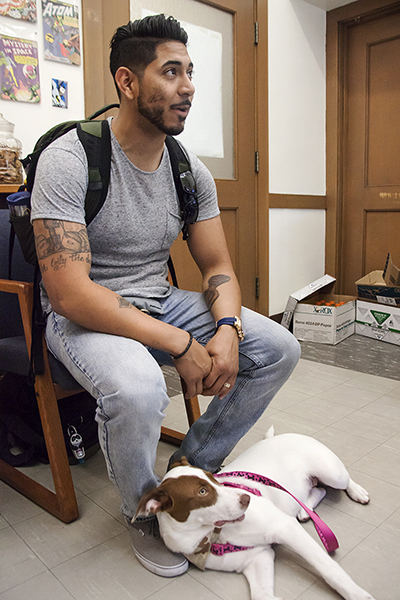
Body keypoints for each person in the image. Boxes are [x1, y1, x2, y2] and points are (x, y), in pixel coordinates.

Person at [31, 14, 300, 579]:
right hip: (84, 316)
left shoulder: (187, 170)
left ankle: (188, 470)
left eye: (191, 72)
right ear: (128, 83)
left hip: (158, 298)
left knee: (277, 348)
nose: (188, 87)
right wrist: (179, 342)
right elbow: (70, 293)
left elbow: (218, 266)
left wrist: (227, 331)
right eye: (171, 71)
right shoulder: (70, 157)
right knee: (139, 385)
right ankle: (144, 510)